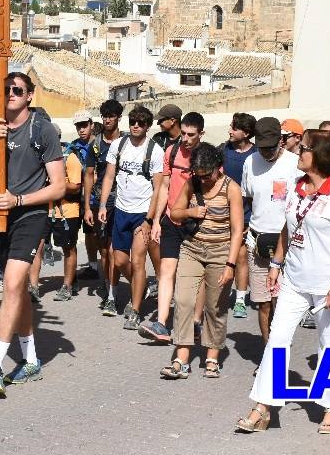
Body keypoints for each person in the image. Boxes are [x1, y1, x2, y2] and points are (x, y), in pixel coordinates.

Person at [238, 129, 330, 436]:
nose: (298, 152)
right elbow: (286, 228)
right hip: (293, 279)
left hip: (328, 284)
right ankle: (263, 406)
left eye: (303, 148)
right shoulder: (295, 187)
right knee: (277, 340)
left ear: (319, 156)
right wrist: (276, 264)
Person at [0, 73, 66, 396]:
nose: (10, 94)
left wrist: (19, 199)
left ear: (29, 96)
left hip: (31, 215)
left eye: (17, 90)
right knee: (18, 290)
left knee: (10, 284)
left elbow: (59, 185)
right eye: (6, 89)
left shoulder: (43, 130)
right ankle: (32, 358)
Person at [160, 143, 244, 379]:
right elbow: (174, 212)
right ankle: (181, 359)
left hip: (221, 252)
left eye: (208, 175)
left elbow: (237, 230)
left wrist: (230, 265)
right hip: (192, 249)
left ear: (219, 168)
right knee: (183, 300)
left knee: (215, 307)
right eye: (200, 175)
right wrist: (190, 212)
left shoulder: (231, 189)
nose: (204, 180)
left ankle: (212, 358)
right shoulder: (193, 183)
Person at [98, 105, 165, 328]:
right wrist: (102, 205)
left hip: (141, 214)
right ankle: (142, 285)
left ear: (147, 126)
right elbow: (108, 177)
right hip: (120, 210)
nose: (136, 126)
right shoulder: (119, 145)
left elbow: (158, 189)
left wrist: (149, 219)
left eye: (141, 123)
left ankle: (135, 311)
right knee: (118, 261)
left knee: (137, 261)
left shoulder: (155, 151)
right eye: (133, 122)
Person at [141, 111, 205, 342]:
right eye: (184, 133)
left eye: (191, 134)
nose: (186, 139)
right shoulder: (173, 151)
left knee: (196, 277)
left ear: (201, 134)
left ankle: (197, 322)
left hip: (195, 223)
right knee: (166, 272)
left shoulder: (206, 156)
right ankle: (161, 324)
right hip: (170, 221)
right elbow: (164, 188)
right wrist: (157, 220)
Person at [239, 117, 299, 345]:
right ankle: (268, 354)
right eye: (262, 148)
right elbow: (248, 199)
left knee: (281, 304)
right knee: (264, 303)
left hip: (289, 244)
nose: (266, 153)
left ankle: (280, 352)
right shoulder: (250, 162)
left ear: (281, 141)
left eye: (271, 148)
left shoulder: (294, 164)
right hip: (258, 243)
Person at [84, 99, 124, 303]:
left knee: (119, 251)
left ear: (119, 117)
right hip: (102, 202)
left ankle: (126, 287)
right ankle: (110, 291)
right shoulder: (96, 145)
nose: (107, 119)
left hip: (126, 202)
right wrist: (87, 208)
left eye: (111, 116)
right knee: (105, 251)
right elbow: (88, 175)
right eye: (105, 116)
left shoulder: (127, 142)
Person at [52, 110, 95, 301]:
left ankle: (99, 275)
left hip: (94, 199)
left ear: (92, 124)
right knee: (73, 242)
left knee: (97, 239)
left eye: (84, 125)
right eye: (78, 126)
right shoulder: (73, 148)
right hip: (77, 202)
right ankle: (77, 277)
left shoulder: (99, 144)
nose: (81, 129)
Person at [223, 112, 257, 317]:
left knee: (241, 256)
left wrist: (250, 217)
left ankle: (240, 300)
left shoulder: (255, 155)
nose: (230, 131)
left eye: (234, 128)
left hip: (244, 214)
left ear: (246, 133)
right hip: (222, 212)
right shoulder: (224, 149)